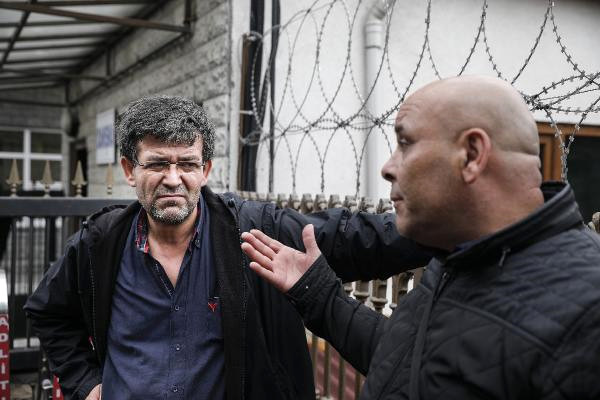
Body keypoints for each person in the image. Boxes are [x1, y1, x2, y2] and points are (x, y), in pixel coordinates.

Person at [24, 95, 430, 400]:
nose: (173, 179)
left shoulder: (256, 232)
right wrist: (88, 384)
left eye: (187, 164)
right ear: (130, 170)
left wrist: (445, 226)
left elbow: (356, 239)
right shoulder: (100, 243)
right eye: (158, 163)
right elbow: (48, 312)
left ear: (205, 170)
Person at [241, 75, 600, 399]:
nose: (388, 167)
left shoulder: (586, 312)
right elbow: (409, 367)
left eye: (405, 143)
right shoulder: (459, 258)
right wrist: (318, 295)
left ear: (472, 154)